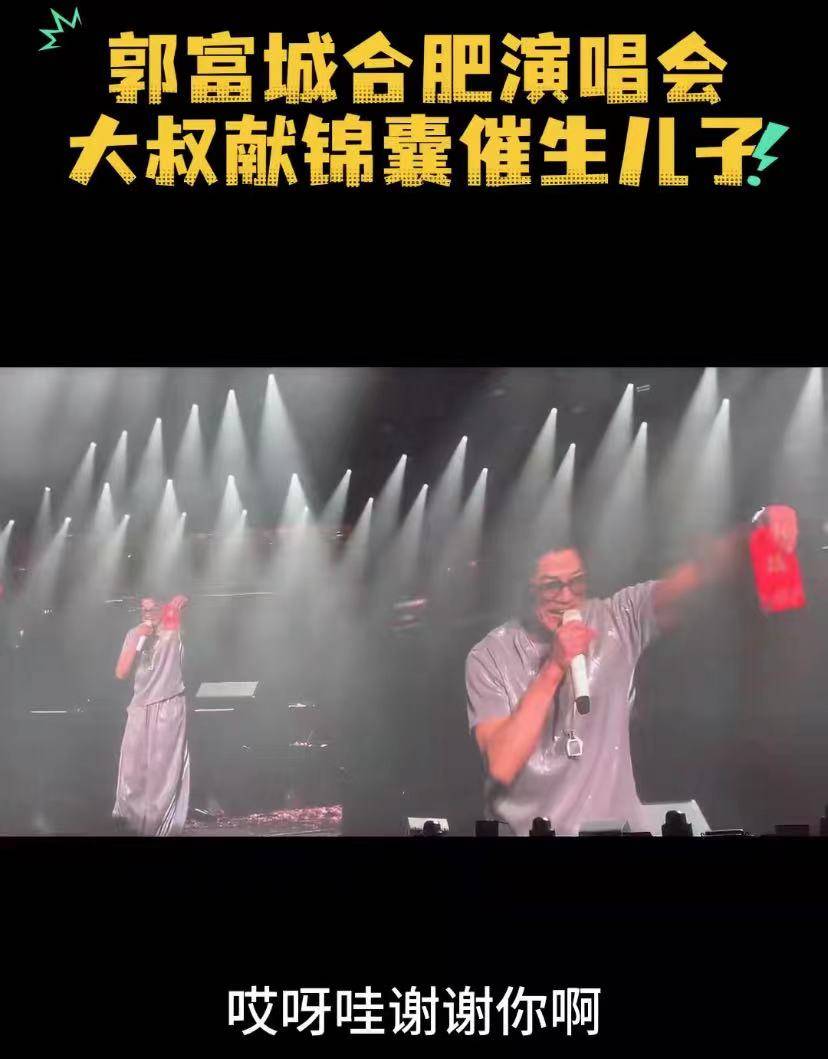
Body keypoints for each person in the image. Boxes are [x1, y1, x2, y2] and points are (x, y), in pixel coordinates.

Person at [465, 505, 799, 837]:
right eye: (552, 586)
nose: (566, 597)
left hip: (615, 833)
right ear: (526, 589)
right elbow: (502, 764)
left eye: (576, 583)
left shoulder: (617, 620)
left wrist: (757, 531)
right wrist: (554, 667)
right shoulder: (489, 656)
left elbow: (699, 575)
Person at [113, 593, 190, 835]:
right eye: (144, 609)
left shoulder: (172, 630)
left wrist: (172, 608)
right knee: (132, 770)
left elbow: (179, 604)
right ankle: (131, 824)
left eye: (153, 608)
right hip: (139, 706)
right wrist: (138, 638)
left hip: (168, 704)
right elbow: (121, 673)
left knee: (162, 770)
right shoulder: (134, 633)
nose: (148, 613)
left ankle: (161, 827)